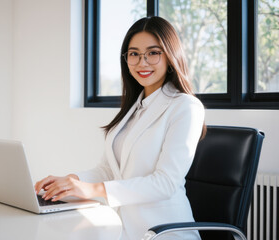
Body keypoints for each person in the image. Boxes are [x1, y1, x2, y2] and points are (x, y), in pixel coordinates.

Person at [35, 16, 205, 240]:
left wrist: (92, 190)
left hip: (164, 232)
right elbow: (108, 170)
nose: (142, 62)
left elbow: (166, 183)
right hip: (123, 228)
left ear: (170, 56)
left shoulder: (185, 106)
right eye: (134, 54)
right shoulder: (135, 108)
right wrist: (69, 181)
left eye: (153, 53)